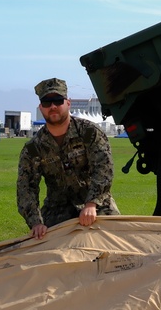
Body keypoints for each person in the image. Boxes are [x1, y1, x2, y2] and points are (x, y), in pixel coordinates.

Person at [16, 77, 119, 239]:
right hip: (57, 211)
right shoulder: (33, 148)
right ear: (41, 108)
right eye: (47, 103)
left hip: (98, 206)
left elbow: (104, 169)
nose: (53, 107)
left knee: (118, 247)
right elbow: (26, 189)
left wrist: (91, 204)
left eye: (58, 101)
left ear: (68, 103)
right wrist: (36, 223)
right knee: (48, 254)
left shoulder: (89, 133)